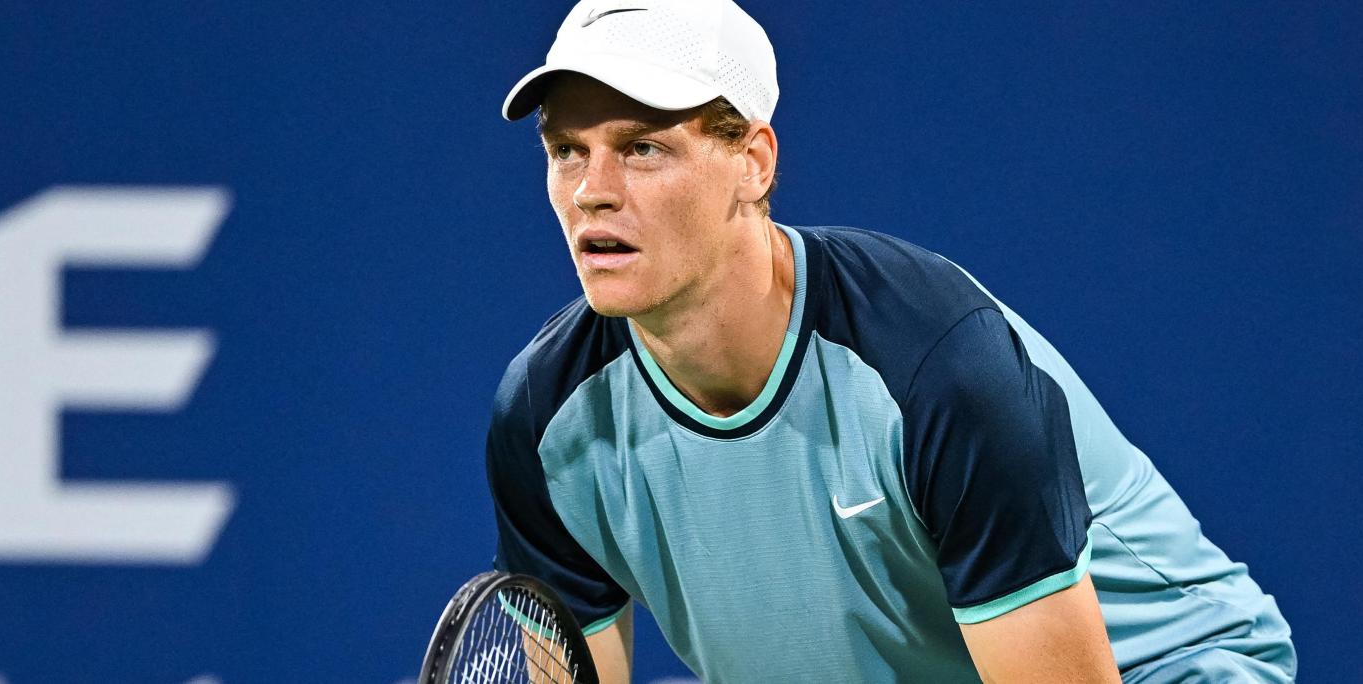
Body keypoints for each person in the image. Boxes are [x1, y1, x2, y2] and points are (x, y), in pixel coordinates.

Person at [486, 1, 1296, 681]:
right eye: (567, 151)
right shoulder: (543, 421)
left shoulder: (936, 367)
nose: (593, 192)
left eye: (643, 148)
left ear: (753, 163)